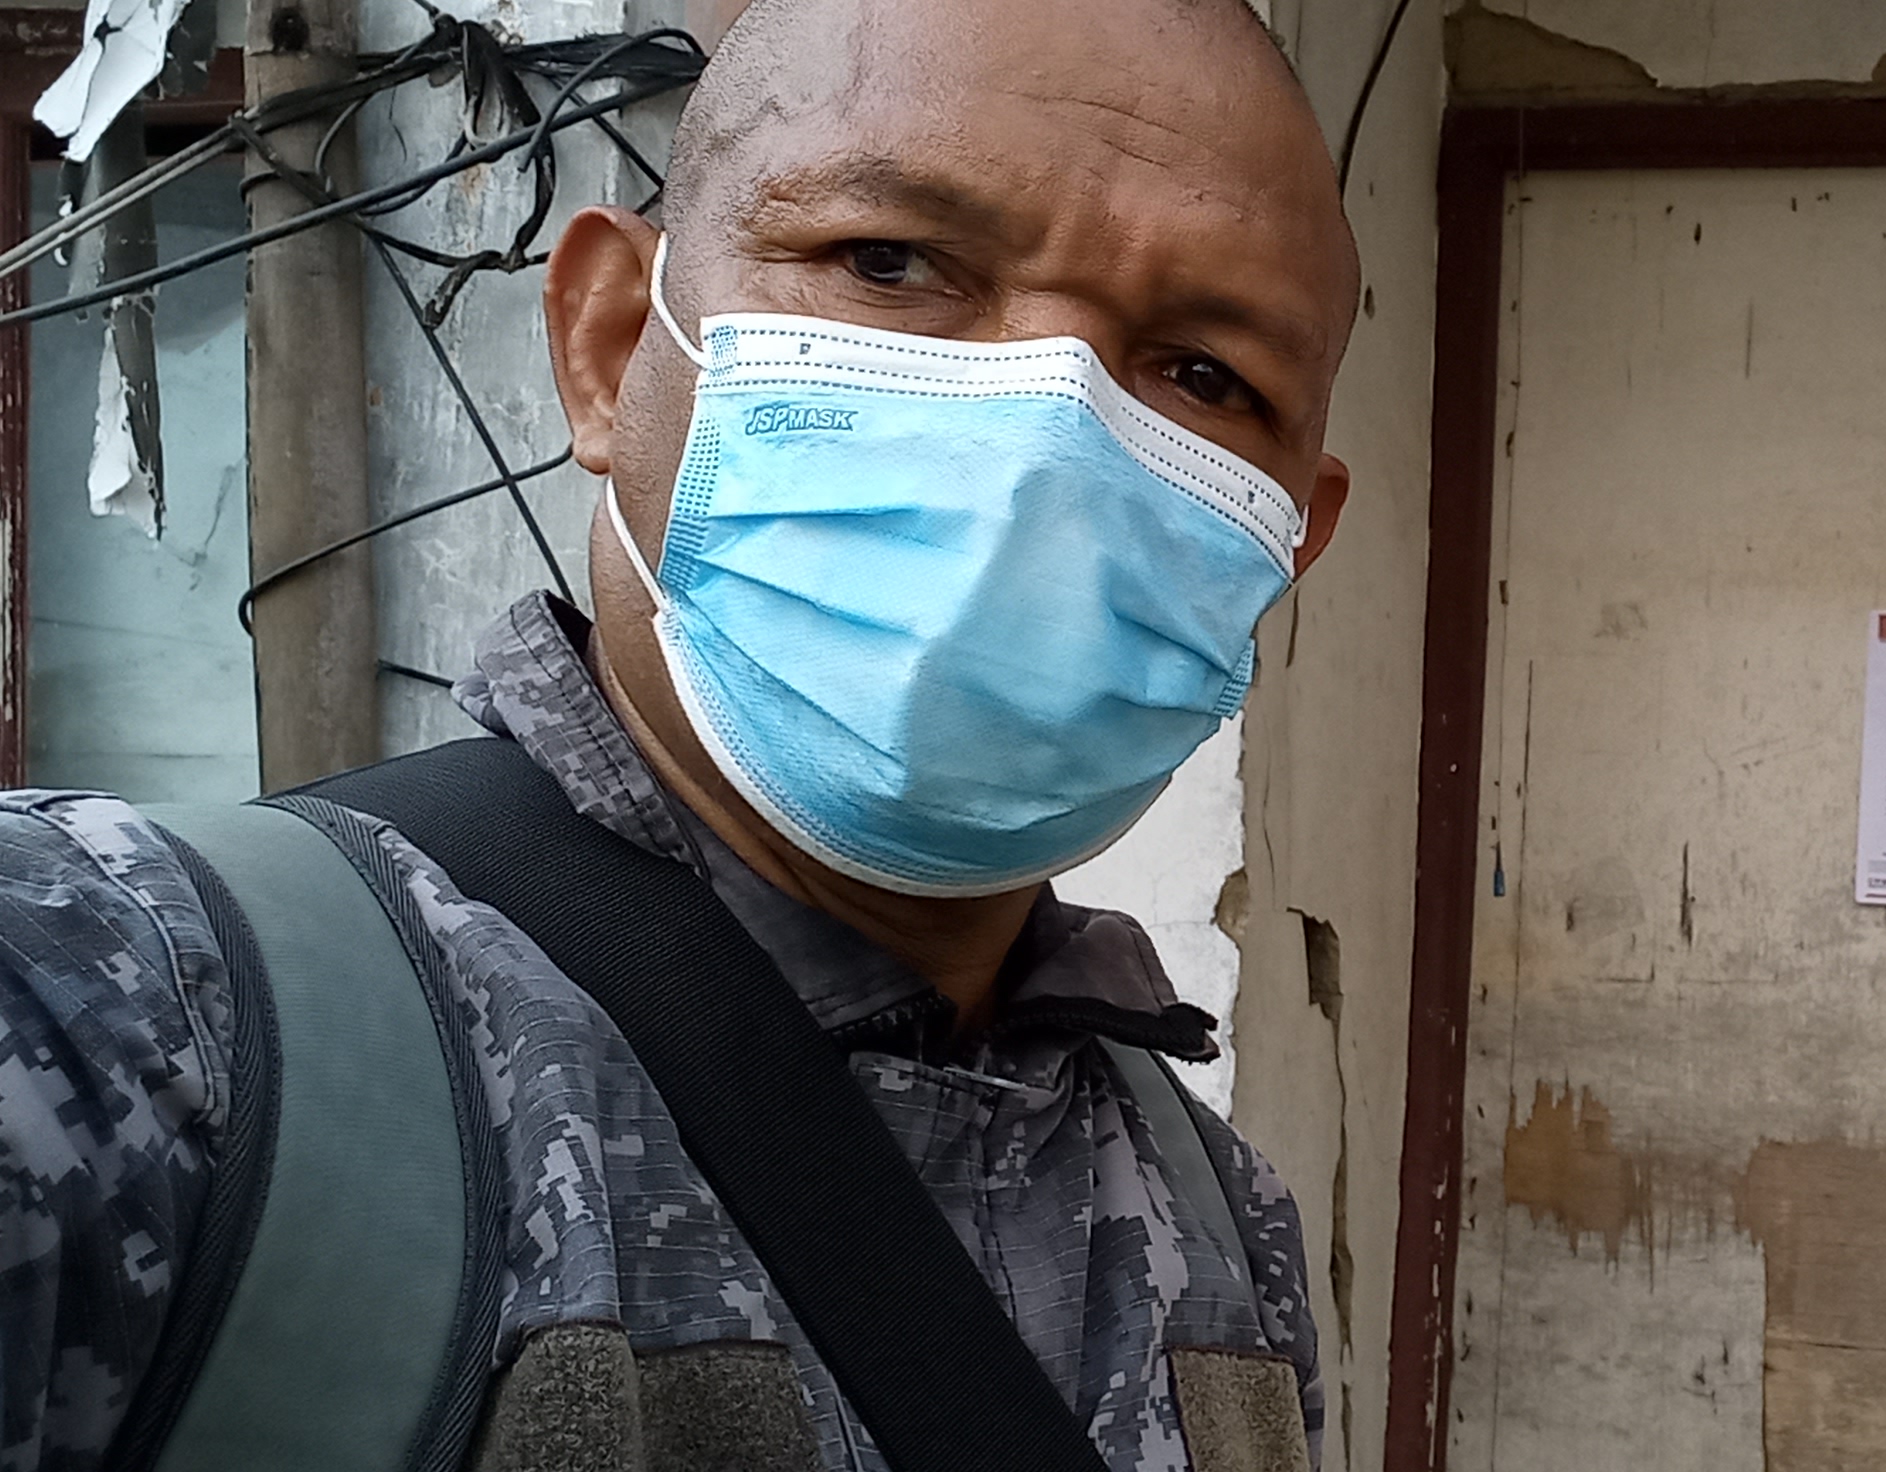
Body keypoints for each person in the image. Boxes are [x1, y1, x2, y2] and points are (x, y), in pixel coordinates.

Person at [0, 0, 1359, 1466]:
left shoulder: (1226, 1228)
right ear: (606, 345)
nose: (1048, 441)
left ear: (1289, 545)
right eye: (890, 261)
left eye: (1206, 375)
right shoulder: (141, 1018)